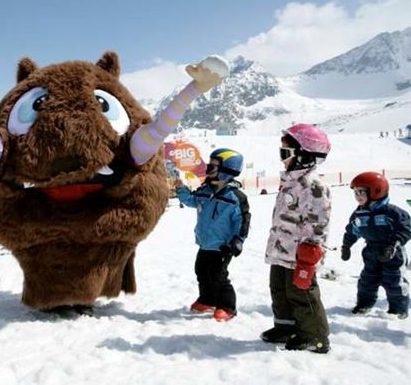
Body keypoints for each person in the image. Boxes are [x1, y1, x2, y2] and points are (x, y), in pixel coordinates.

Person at [261, 124, 332, 353]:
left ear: (304, 156)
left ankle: (315, 336)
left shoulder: (314, 186)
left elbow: (319, 223)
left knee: (302, 294)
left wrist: (309, 255)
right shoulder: (290, 181)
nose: (282, 159)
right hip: (282, 249)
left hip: (300, 254)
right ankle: (285, 327)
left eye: (286, 153)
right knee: (279, 290)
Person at [175, 148, 250, 322]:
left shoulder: (235, 197)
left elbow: (243, 221)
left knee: (218, 276)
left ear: (226, 171)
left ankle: (227, 306)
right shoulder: (205, 191)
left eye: (212, 167)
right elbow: (191, 200)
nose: (208, 170)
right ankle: (207, 299)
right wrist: (181, 189)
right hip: (205, 243)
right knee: (201, 271)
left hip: (223, 246)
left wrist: (238, 241)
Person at [340, 172, 410, 319]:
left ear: (376, 191)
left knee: (394, 280)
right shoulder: (359, 213)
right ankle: (364, 304)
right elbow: (352, 230)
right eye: (355, 192)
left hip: (392, 252)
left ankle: (398, 309)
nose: (357, 196)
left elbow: (406, 228)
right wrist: (346, 246)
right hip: (370, 251)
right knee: (367, 279)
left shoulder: (392, 212)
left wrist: (393, 244)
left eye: (361, 192)